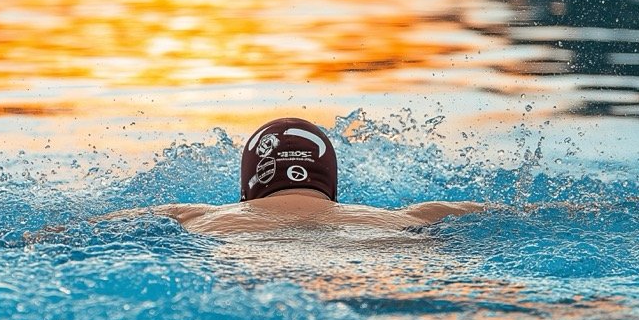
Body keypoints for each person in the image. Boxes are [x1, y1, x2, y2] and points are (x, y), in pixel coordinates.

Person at [133, 117, 485, 236]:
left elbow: (93, 227)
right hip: (371, 262)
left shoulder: (192, 215)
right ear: (330, 181)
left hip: (250, 264)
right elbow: (505, 215)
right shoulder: (408, 218)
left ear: (248, 183)